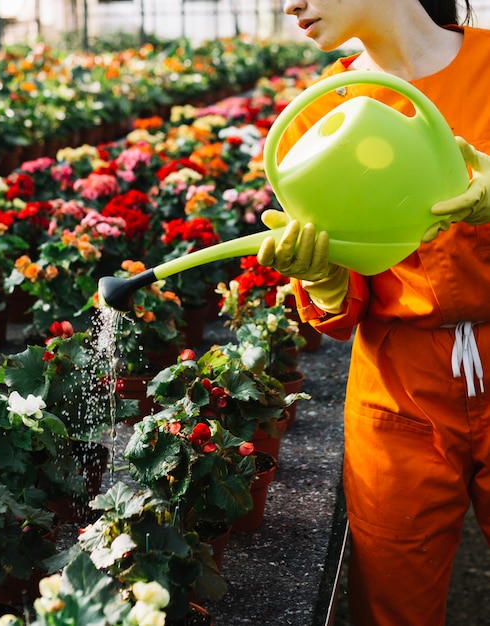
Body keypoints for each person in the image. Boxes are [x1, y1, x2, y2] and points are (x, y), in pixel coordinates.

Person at [257, 1, 490, 625]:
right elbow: (347, 300)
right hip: (397, 391)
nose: (290, 5)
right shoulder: (322, 116)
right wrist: (326, 278)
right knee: (394, 606)